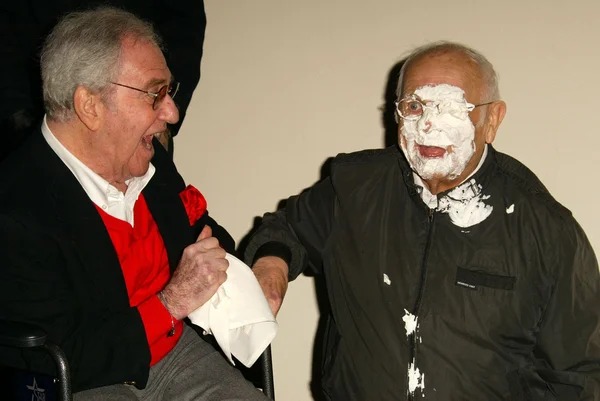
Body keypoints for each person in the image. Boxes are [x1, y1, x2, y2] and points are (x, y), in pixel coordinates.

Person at [245, 42, 600, 400]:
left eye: (451, 108)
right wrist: (272, 263)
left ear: (492, 120)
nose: (428, 125)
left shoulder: (545, 228)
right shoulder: (352, 190)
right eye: (414, 106)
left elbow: (583, 374)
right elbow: (288, 228)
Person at [0, 7, 267, 400]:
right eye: (155, 93)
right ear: (89, 106)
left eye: (169, 93)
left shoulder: (149, 162)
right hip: (86, 377)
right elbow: (58, 361)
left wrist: (236, 269)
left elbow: (205, 235)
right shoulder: (16, 208)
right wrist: (172, 300)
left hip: (173, 352)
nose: (172, 112)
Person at [0, 0, 206, 162]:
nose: (173, 115)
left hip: (141, 121)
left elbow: (184, 26)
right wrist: (20, 122)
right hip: (31, 123)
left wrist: (159, 106)